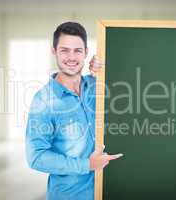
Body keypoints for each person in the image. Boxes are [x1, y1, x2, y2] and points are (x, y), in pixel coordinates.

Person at [25, 22, 123, 200]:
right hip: (70, 195)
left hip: (111, 189)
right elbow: (36, 157)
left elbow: (131, 74)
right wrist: (86, 164)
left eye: (77, 50)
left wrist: (106, 65)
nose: (71, 57)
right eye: (64, 50)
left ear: (86, 52)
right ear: (54, 51)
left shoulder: (97, 85)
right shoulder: (43, 101)